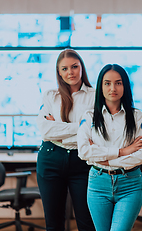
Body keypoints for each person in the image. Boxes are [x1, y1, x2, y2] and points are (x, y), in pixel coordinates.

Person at [77, 64, 142, 231]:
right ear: (100, 87)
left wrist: (106, 160)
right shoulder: (89, 117)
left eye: (118, 83)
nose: (113, 88)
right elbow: (84, 151)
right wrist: (123, 151)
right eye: (107, 83)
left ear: (125, 85)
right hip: (98, 184)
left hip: (129, 184)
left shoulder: (137, 116)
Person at [36, 49, 96, 231]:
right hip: (50, 158)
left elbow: (95, 130)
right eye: (65, 69)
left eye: (74, 67)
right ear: (59, 72)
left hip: (82, 161)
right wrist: (80, 127)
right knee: (53, 223)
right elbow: (45, 131)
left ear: (81, 68)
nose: (70, 72)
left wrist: (59, 129)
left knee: (86, 221)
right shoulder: (50, 95)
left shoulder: (95, 96)